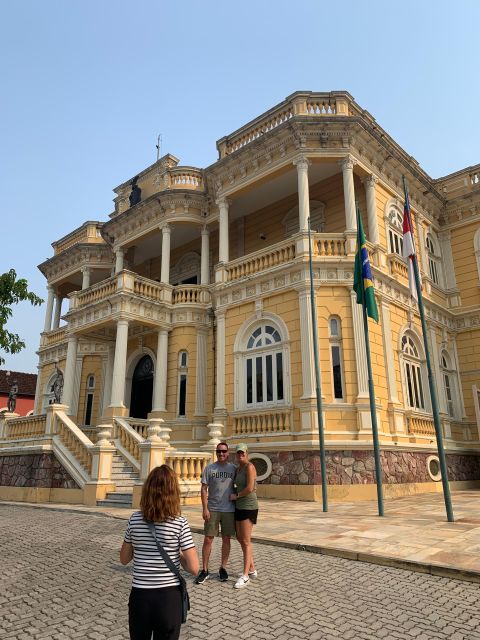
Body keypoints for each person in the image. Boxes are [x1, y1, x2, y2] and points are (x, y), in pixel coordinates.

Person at [120, 465, 199, 640]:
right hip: (168, 599)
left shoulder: (134, 519)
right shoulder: (180, 523)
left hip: (140, 597)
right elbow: (194, 568)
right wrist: (175, 553)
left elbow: (124, 559)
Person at [194, 441, 236, 584]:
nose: (221, 454)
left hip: (229, 510)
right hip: (213, 508)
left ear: (228, 452)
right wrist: (205, 508)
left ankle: (223, 568)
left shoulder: (233, 469)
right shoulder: (210, 468)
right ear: (216, 452)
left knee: (226, 539)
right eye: (218, 451)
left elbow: (243, 484)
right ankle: (204, 569)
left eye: (224, 451)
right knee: (208, 539)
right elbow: (203, 489)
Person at [230, 443, 259, 589]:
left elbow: (250, 488)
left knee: (246, 541)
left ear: (247, 453)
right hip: (239, 506)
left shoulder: (250, 467)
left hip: (248, 506)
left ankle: (245, 575)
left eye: (242, 453)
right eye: (238, 453)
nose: (240, 455)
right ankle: (252, 568)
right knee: (240, 538)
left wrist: (236, 496)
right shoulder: (238, 469)